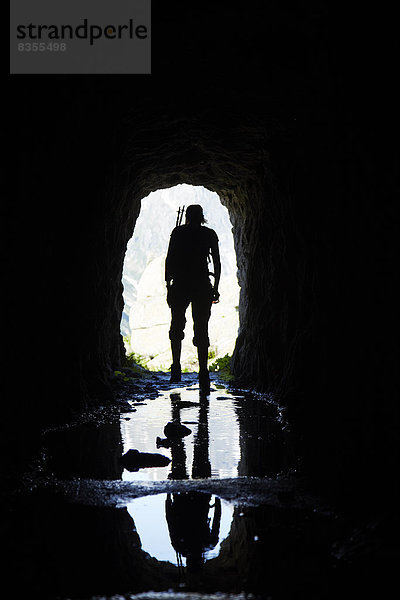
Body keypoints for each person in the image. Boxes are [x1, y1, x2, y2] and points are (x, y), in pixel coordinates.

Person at [165, 204, 221, 391]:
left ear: (187, 216)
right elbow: (217, 262)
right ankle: (203, 372)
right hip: (202, 285)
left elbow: (169, 259)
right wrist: (215, 288)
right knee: (201, 327)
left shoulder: (178, 232)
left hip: (180, 284)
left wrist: (168, 287)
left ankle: (176, 368)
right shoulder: (209, 234)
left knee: (177, 325)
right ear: (202, 217)